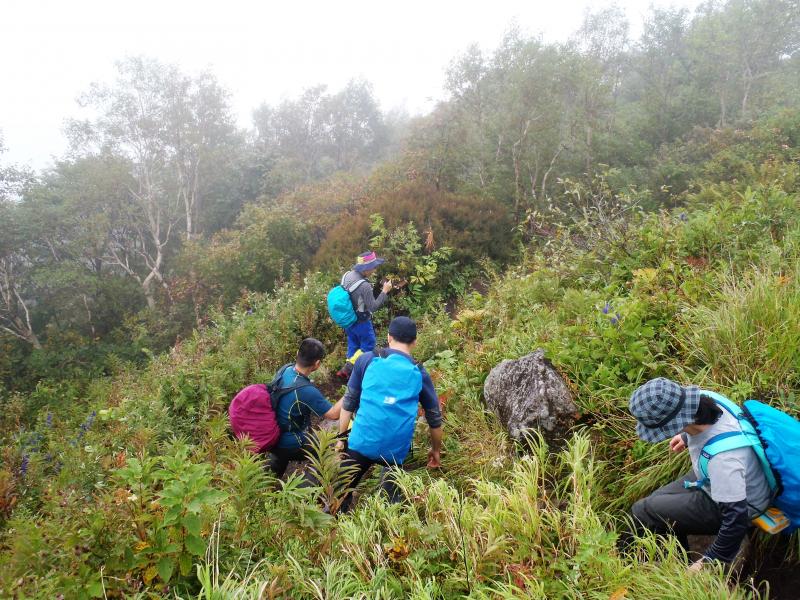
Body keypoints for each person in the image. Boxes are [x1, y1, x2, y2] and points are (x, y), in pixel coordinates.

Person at [626, 378, 771, 571]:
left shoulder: (723, 460)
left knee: (642, 511)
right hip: (717, 479)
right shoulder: (709, 399)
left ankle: (664, 567)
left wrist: (709, 560)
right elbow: (703, 425)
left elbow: (736, 519)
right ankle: (674, 557)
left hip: (745, 504)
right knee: (654, 503)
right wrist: (686, 436)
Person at [336, 316, 443, 512]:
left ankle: (338, 518)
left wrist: (342, 439)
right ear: (415, 342)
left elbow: (349, 403)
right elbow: (435, 419)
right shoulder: (419, 372)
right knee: (391, 495)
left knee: (339, 492)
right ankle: (389, 516)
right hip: (395, 450)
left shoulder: (366, 360)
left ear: (388, 337)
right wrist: (435, 450)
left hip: (361, 441)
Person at [268, 338, 343, 476]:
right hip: (290, 440)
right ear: (317, 364)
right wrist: (351, 392)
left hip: (273, 431)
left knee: (275, 468)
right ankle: (324, 484)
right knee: (323, 449)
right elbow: (333, 414)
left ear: (297, 353)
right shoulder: (306, 390)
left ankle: (270, 482)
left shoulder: (285, 369)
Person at [336, 251, 394, 379]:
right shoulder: (365, 285)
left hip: (348, 320)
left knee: (353, 346)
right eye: (374, 266)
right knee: (368, 346)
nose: (375, 269)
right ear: (366, 269)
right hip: (362, 322)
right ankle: (351, 369)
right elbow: (373, 307)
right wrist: (384, 291)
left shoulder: (347, 275)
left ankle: (350, 375)